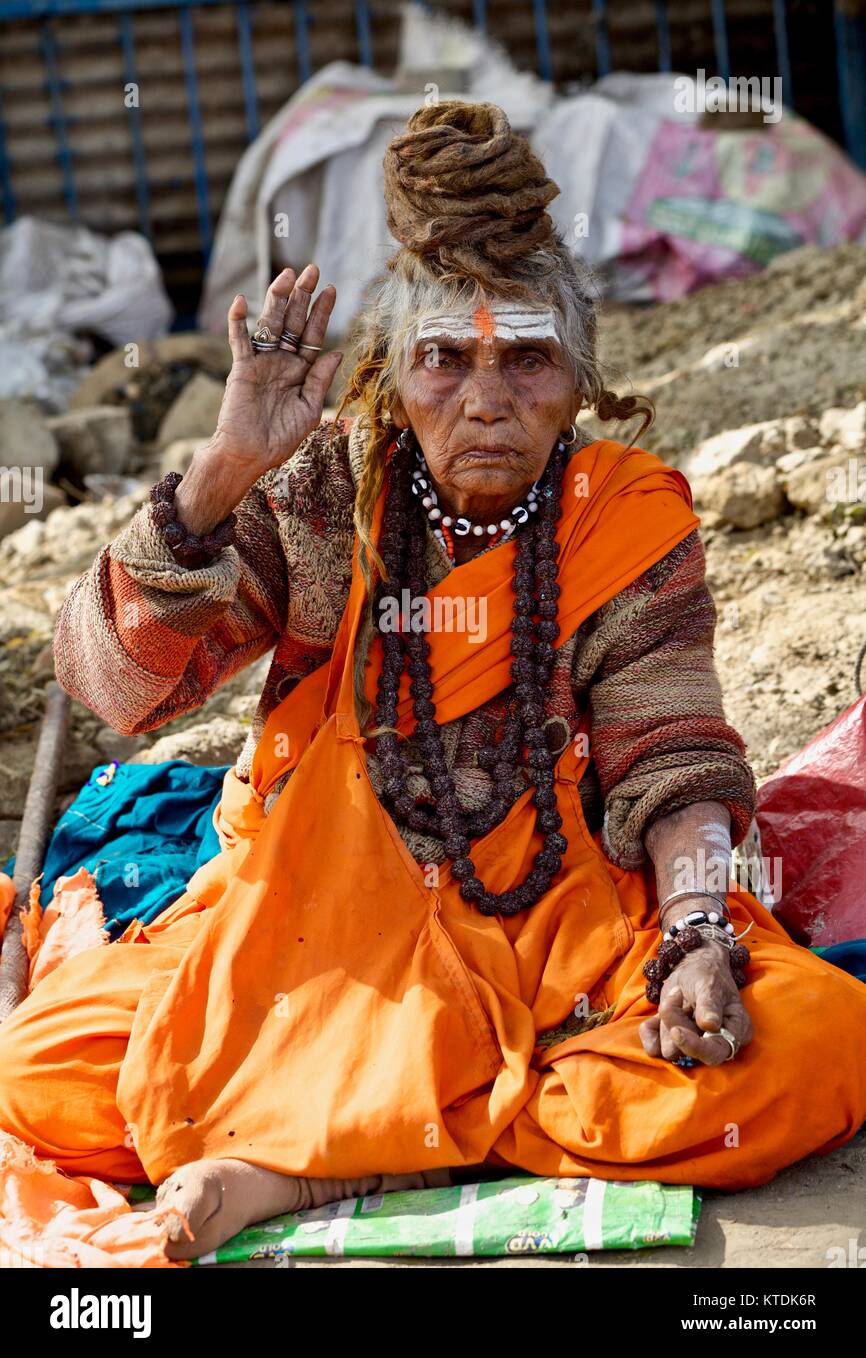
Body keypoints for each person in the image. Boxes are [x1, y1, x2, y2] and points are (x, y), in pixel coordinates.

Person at [1, 102, 864, 1263]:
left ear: (577, 376)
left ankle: (322, 1154)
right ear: (392, 374)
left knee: (816, 1042)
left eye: (525, 357)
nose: (485, 398)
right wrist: (221, 471)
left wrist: (699, 932)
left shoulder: (621, 514)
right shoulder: (327, 489)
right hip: (316, 936)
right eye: (444, 360)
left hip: (553, 940)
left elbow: (672, 757)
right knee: (36, 1075)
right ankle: (424, 1129)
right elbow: (114, 688)